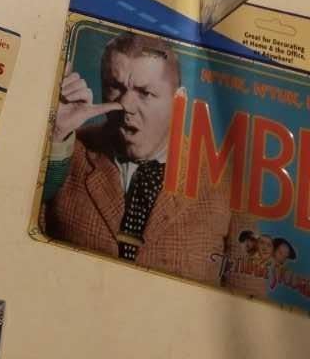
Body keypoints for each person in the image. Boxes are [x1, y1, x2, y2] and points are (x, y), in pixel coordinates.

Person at [42, 31, 239, 284]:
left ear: (178, 101)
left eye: (145, 92)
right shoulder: (66, 146)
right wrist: (56, 134)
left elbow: (245, 293)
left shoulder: (229, 182)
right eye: (115, 87)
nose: (126, 105)